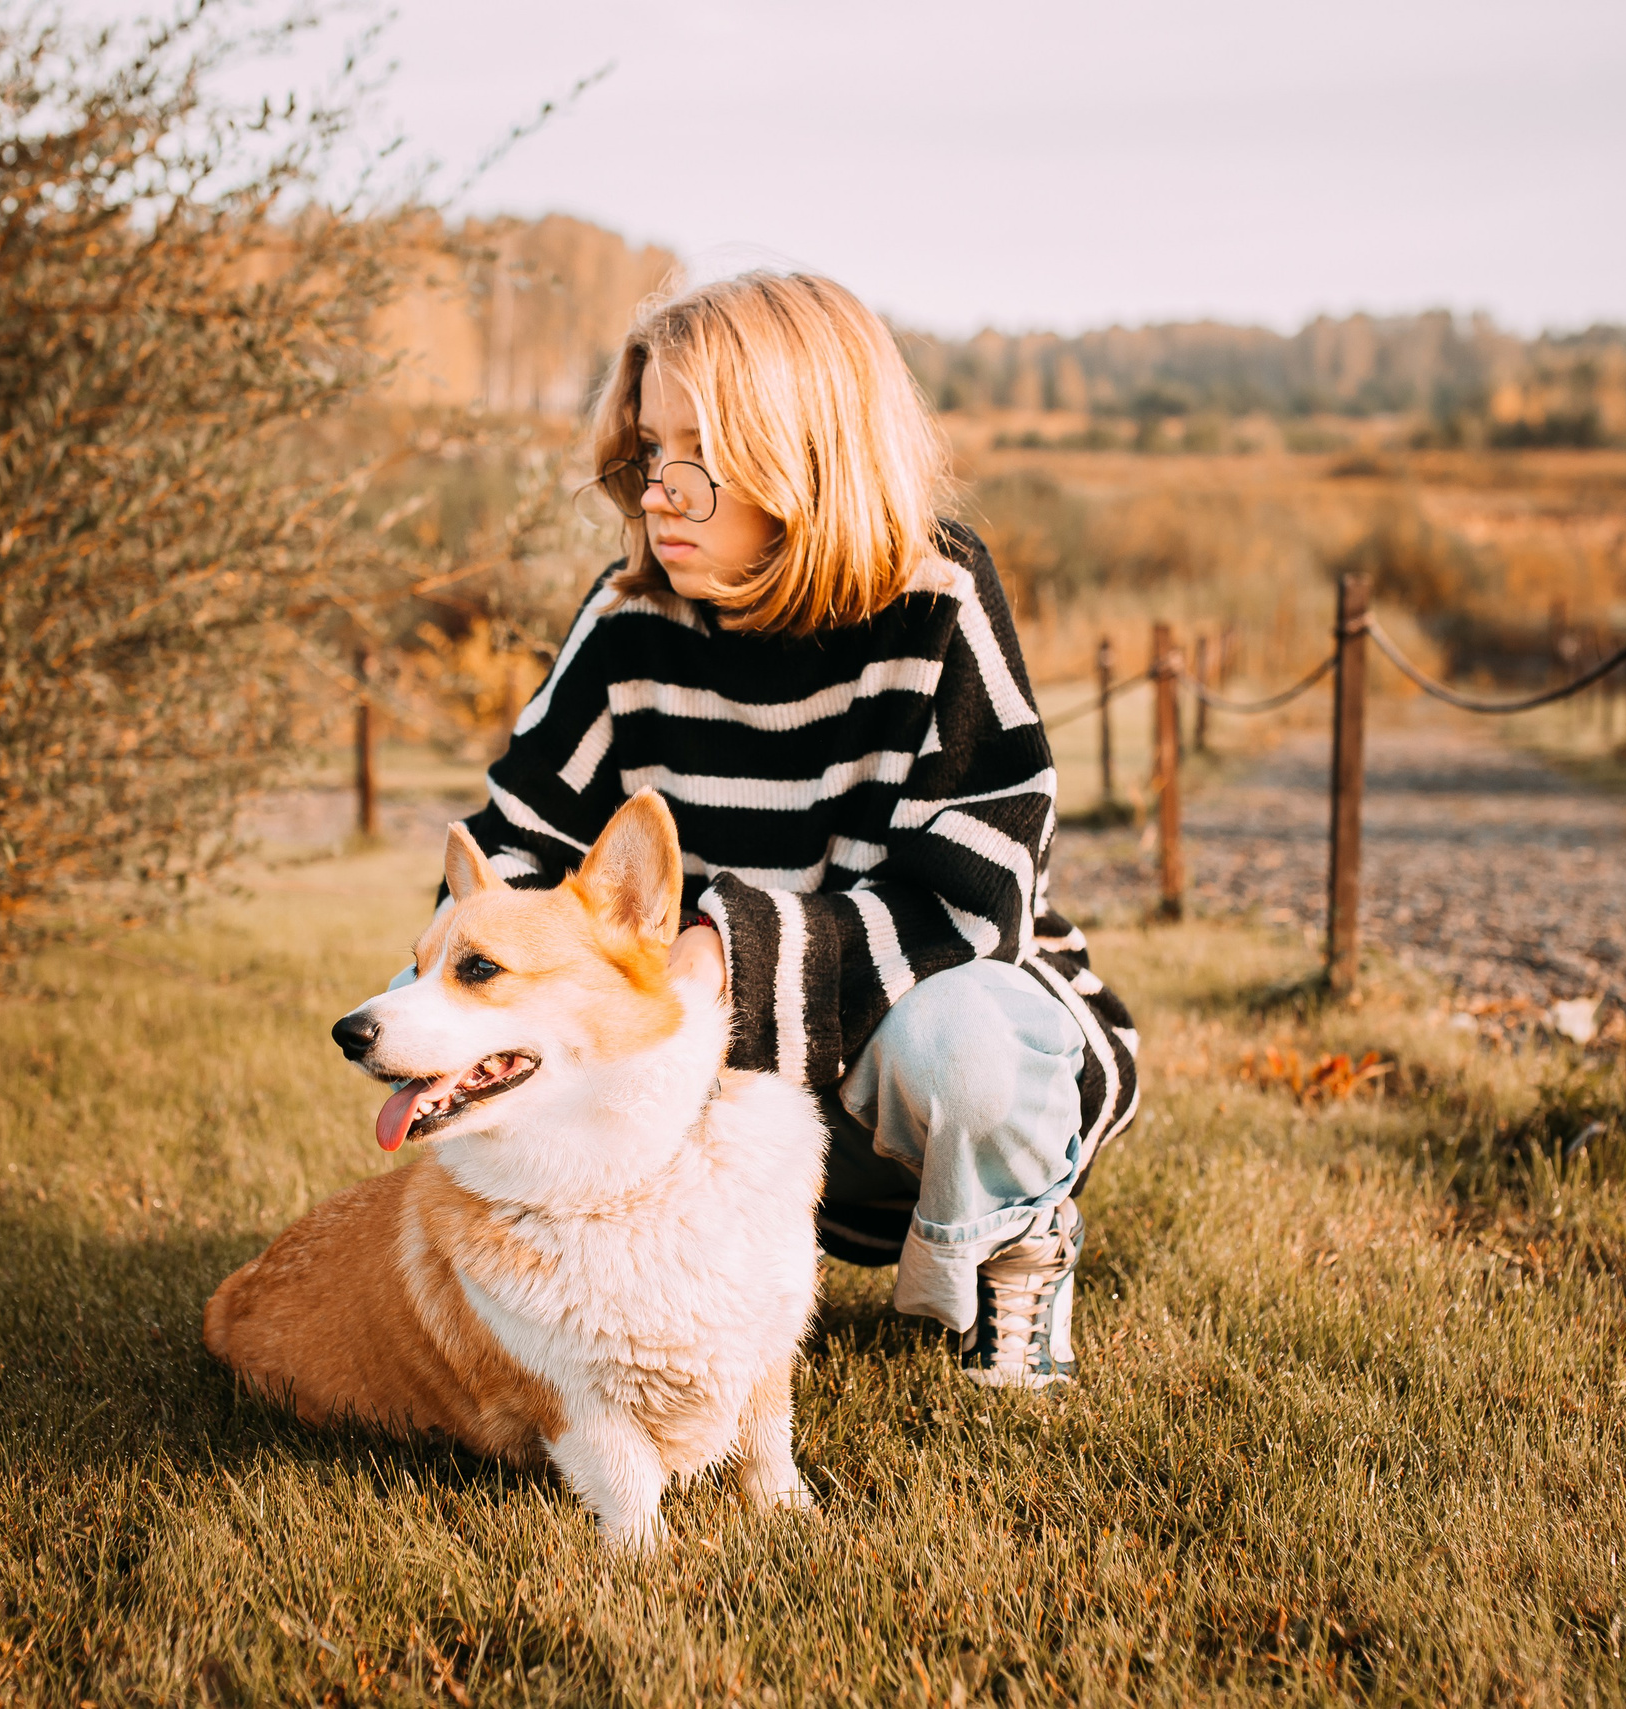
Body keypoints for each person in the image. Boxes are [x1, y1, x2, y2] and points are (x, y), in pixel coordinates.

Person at [435, 271, 1138, 1388]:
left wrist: (728, 949)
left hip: (922, 1053)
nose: (658, 493)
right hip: (717, 1083)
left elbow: (979, 887)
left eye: (699, 456)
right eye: (647, 450)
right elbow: (513, 844)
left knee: (963, 1048)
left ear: (805, 454)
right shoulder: (626, 623)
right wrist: (462, 1008)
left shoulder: (936, 597)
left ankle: (1010, 1247)